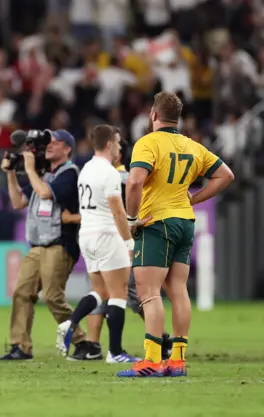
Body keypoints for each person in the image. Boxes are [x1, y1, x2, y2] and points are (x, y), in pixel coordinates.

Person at [119, 91, 234, 377]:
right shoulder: (192, 146)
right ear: (177, 118)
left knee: (148, 293)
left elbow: (134, 183)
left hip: (156, 222)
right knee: (179, 291)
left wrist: (131, 218)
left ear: (154, 115)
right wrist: (193, 199)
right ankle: (178, 361)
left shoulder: (148, 143)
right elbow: (226, 175)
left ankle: (152, 360)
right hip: (185, 221)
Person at [0, 130, 100, 362]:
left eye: (57, 143)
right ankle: (20, 346)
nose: (50, 146)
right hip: (37, 244)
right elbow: (17, 201)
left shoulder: (69, 173)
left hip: (59, 242)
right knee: (22, 292)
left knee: (53, 296)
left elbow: (44, 193)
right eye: (49, 143)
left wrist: (31, 169)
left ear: (68, 149)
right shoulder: (43, 174)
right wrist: (11, 174)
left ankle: (83, 342)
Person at [85, 129, 173, 363]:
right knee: (115, 295)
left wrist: (130, 235)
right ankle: (98, 346)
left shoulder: (120, 178)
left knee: (129, 295)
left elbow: (123, 211)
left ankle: (159, 340)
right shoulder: (105, 174)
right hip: (110, 242)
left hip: (121, 242)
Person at [56, 124, 139, 364]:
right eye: (119, 143)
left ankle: (70, 322)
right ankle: (116, 352)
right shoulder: (110, 172)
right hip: (107, 235)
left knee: (100, 292)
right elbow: (117, 211)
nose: (120, 148)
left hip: (88, 235)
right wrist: (129, 241)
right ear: (109, 144)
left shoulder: (87, 169)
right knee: (118, 293)